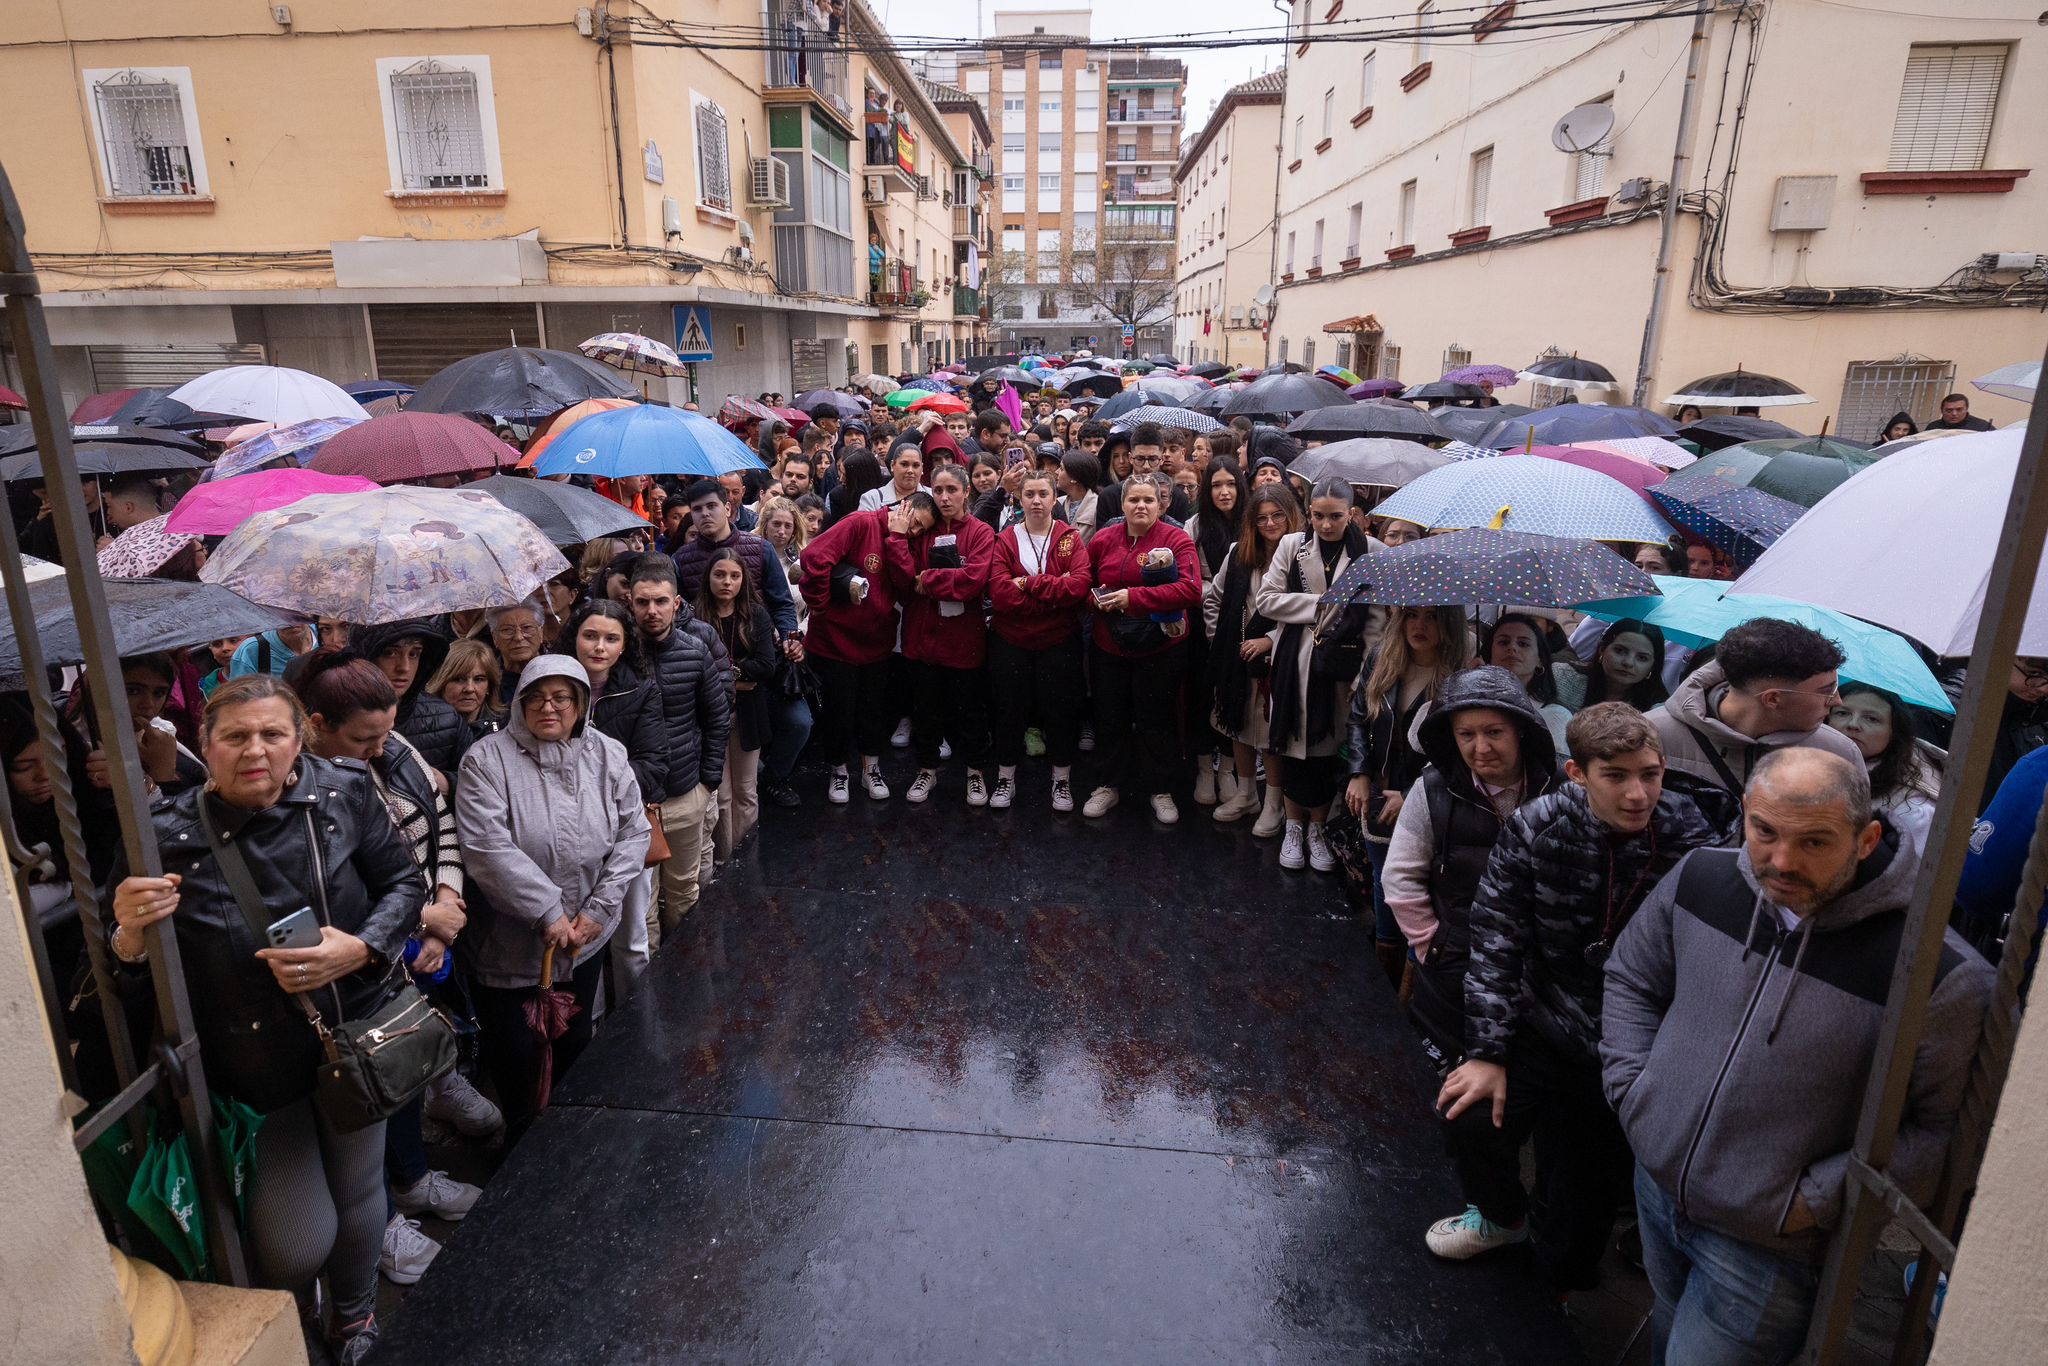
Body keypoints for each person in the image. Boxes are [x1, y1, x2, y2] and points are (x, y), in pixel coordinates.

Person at [1602, 748, 1991, 1366]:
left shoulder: (1936, 974)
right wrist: (1634, 1093)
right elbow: (1632, 978)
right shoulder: (1703, 876)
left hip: (1768, 1248)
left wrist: (1810, 1199)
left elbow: (1944, 1131)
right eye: (1765, 832)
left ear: (1865, 840)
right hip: (1655, 1187)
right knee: (1664, 1335)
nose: (1781, 862)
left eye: (1815, 842)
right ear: (1746, 815)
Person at [108, 675, 425, 1363]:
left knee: (362, 1192)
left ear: (297, 739)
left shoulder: (343, 792)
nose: (256, 750)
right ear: (205, 744)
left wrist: (361, 947)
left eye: (272, 734)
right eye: (236, 736)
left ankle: (354, 1319)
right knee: (295, 1240)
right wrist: (127, 938)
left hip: (353, 1043)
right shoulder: (161, 836)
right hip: (253, 1073)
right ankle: (291, 1318)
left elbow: (405, 883)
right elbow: (115, 976)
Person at [1426, 705, 1715, 1288]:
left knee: (1584, 1191)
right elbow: (1497, 939)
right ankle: (1503, 1218)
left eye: (1650, 774)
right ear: (1577, 773)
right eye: (1616, 775)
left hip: (1631, 1036)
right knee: (1470, 1118)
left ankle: (1562, 1284)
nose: (1638, 794)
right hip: (1543, 1013)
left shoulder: (1693, 835)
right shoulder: (1536, 829)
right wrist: (1487, 1050)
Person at [287, 649, 491, 1281]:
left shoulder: (394, 745)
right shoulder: (300, 788)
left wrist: (448, 900)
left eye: (386, 732)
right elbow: (334, 889)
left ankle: (411, 1178)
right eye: (363, 739)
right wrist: (417, 920)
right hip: (360, 956)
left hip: (424, 930)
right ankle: (378, 1226)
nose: (378, 749)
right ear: (316, 726)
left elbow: (439, 828)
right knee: (364, 1086)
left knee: (402, 1065)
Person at [457, 657, 650, 1139]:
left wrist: (598, 910)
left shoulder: (607, 753)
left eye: (561, 697)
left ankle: (565, 1147)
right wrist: (547, 911)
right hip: (511, 951)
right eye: (537, 697)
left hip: (583, 942)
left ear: (581, 703)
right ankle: (520, 1150)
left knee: (574, 1046)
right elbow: (486, 846)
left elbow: (633, 833)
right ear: (519, 702)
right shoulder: (486, 759)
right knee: (520, 1058)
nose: (549, 707)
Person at [1382, 665, 1564, 1070]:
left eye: (1494, 732)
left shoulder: (1559, 791)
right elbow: (1399, 877)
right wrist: (1433, 943)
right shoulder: (1431, 790)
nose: (1480, 747)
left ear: (1521, 729)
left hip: (1536, 971)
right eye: (1467, 734)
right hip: (1451, 969)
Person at [1256, 479, 1379, 872]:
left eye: (1336, 517)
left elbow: (1375, 620)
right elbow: (1267, 598)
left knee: (1327, 747)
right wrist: (1324, 604)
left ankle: (1318, 828)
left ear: (1352, 514)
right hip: (1296, 661)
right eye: (1318, 516)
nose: (1326, 525)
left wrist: (1366, 676)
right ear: (1308, 512)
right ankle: (1294, 825)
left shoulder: (1370, 552)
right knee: (1293, 743)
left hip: (1342, 666)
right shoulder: (1293, 545)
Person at [1345, 606, 1470, 984]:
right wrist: (1359, 771)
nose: (1420, 625)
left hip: (1428, 799)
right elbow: (1357, 717)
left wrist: (1413, 794)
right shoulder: (1383, 656)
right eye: (1413, 615)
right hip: (1379, 792)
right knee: (1384, 879)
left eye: (1433, 617)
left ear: (1448, 625)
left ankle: (1410, 979)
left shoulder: (1460, 677)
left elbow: (1458, 755)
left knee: (1414, 885)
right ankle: (1387, 963)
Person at [671, 477, 811, 810]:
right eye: (697, 509)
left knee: (798, 723)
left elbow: (780, 601)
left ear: (729, 507)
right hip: (708, 670)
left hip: (762, 658)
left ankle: (774, 778)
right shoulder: (683, 559)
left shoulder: (758, 548)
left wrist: (790, 637)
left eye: (711, 507)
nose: (705, 515)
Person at [1649, 617, 1863, 823]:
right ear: (1773, 699)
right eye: (1827, 691)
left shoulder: (1840, 753)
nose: (1837, 701)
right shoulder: (1649, 737)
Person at [559, 600, 665, 1002]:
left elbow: (653, 765)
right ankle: (591, 1022)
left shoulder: (640, 690)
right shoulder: (551, 686)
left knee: (630, 938)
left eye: (610, 638)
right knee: (580, 941)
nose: (599, 647)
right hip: (568, 834)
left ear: (624, 645)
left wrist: (591, 783)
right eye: (590, 636)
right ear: (575, 639)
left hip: (623, 829)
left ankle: (634, 1018)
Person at [801, 495, 939, 802]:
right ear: (902, 507)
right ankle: (839, 772)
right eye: (914, 521)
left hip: (877, 639)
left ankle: (870, 769)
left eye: (921, 529)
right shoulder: (860, 522)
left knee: (872, 709)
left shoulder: (906, 539)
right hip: (835, 640)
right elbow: (814, 557)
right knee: (839, 709)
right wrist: (820, 605)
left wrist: (901, 538)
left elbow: (907, 587)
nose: (916, 530)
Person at [1082, 472, 1202, 822]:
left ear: (1161, 504)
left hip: (1160, 647)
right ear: (1122, 504)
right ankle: (1107, 785)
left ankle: (1160, 789)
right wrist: (1097, 601)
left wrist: (1132, 598)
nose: (1141, 505)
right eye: (1134, 499)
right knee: (1110, 717)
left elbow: (1190, 590)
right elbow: (1084, 582)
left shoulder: (1177, 539)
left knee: (1156, 719)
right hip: (1110, 645)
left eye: (1149, 499)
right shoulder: (1104, 539)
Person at [625, 556, 729, 944]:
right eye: (643, 602)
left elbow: (717, 717)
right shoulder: (617, 656)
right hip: (633, 801)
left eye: (660, 602)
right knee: (641, 905)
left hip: (686, 791)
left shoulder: (694, 650)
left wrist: (707, 782)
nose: (652, 611)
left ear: (677, 603)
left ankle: (684, 974)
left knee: (684, 891)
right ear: (630, 603)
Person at [890, 464, 995, 806]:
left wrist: (929, 580)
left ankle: (976, 773)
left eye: (952, 489)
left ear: (967, 492)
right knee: (925, 711)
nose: (945, 497)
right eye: (938, 490)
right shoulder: (923, 530)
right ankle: (927, 769)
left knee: (971, 711)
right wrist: (923, 578)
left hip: (964, 640)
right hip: (921, 638)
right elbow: (906, 579)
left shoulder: (980, 532)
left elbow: (973, 581)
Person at [988, 468, 1092, 811]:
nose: (1036, 501)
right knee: (1009, 710)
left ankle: (1061, 781)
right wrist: (1051, 588)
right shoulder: (1006, 539)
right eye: (1029, 494)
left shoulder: (1069, 537)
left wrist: (1027, 583)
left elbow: (1077, 587)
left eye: (1043, 494)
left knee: (1061, 710)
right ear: (1020, 498)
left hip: (1058, 640)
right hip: (1011, 640)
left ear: (1053, 498)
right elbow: (1000, 593)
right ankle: (1006, 777)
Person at [1208, 484, 1294, 830]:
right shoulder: (1238, 553)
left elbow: (1312, 612)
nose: (1270, 524)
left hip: (1279, 661)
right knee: (1238, 724)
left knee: (1270, 734)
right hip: (1237, 658)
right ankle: (1246, 794)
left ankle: (1273, 802)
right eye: (1262, 519)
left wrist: (1271, 641)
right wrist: (1223, 639)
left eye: (1277, 516)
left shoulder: (1302, 557)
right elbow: (1214, 600)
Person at [696, 549, 777, 859]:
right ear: (709, 578)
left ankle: (747, 857)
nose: (726, 582)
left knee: (746, 789)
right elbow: (694, 668)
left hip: (747, 714)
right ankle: (726, 857)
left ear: (743, 580)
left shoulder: (755, 614)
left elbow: (766, 666)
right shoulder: (697, 614)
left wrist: (723, 673)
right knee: (722, 794)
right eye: (719, 575)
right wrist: (740, 676)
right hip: (711, 714)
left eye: (733, 575)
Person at [1186, 458, 1247, 806]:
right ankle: (1204, 768)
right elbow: (1189, 577)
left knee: (1232, 696)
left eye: (1231, 484)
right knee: (1201, 696)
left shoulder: (1252, 524)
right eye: (1216, 485)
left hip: (1240, 623)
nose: (1224, 492)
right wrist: (1215, 592)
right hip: (1201, 625)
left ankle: (1227, 768)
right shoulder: (1194, 526)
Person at [353, 620, 472, 790]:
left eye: (414, 654)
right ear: (367, 656)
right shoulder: (339, 718)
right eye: (390, 653)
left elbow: (480, 782)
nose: (404, 667)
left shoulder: (447, 719)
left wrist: (449, 784)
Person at [1827, 683, 1940, 853]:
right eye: (1842, 713)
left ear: (1893, 732)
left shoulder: (1914, 806)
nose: (1853, 724)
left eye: (1871, 719)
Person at [1480, 613, 1573, 751]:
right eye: (1503, 642)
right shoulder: (1469, 703)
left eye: (1523, 644)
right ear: (1489, 654)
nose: (1512, 648)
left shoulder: (1555, 716)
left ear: (1540, 660)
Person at [1554, 618, 1670, 713]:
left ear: (1653, 666)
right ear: (1602, 650)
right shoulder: (1562, 678)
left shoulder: (1657, 710)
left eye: (1642, 658)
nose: (1628, 663)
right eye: (1620, 651)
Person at [1098, 423, 1196, 525]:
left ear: (1162, 459)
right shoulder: (1109, 496)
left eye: (1152, 459)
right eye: (1140, 459)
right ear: (1131, 458)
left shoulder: (1178, 498)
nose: (1146, 466)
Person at [424, 638, 504, 741]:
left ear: (489, 686)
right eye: (459, 679)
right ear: (441, 683)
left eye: (479, 679)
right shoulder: (422, 727)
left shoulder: (507, 726)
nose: (469, 689)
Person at [486, 597, 548, 708]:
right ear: (494, 638)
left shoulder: (560, 672)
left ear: (541, 633)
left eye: (527, 628)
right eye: (507, 630)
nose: (518, 637)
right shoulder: (487, 681)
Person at [229, 621, 318, 679]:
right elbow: (239, 702)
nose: (289, 619)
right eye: (280, 611)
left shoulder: (325, 636)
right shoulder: (251, 650)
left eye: (296, 609)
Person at [859, 441, 928, 512]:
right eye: (904, 464)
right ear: (892, 465)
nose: (910, 470)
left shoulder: (933, 496)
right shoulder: (872, 499)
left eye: (915, 465)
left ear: (922, 468)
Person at [826, 449, 885, 527]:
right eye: (840, 473)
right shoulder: (837, 496)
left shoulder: (887, 486)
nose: (841, 479)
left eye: (846, 476)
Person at [1057, 450, 1102, 543]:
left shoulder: (1098, 506)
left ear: (1074, 478)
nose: (1056, 472)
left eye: (1061, 469)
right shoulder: (1058, 503)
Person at [1926, 392, 1993, 432]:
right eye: (1949, 410)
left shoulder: (1983, 427)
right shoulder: (1933, 428)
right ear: (1942, 410)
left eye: (1959, 410)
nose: (1954, 414)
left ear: (1966, 409)